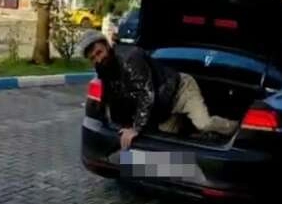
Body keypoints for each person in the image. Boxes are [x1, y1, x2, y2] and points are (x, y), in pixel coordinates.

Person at [79, 30, 238, 150]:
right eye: (93, 58)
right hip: (163, 108)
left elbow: (146, 93)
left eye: (99, 52)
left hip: (181, 91)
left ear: (107, 46)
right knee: (165, 146)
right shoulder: (105, 70)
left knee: (203, 124)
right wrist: (123, 125)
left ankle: (233, 127)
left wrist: (136, 128)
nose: (98, 59)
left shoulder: (130, 58)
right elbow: (113, 99)